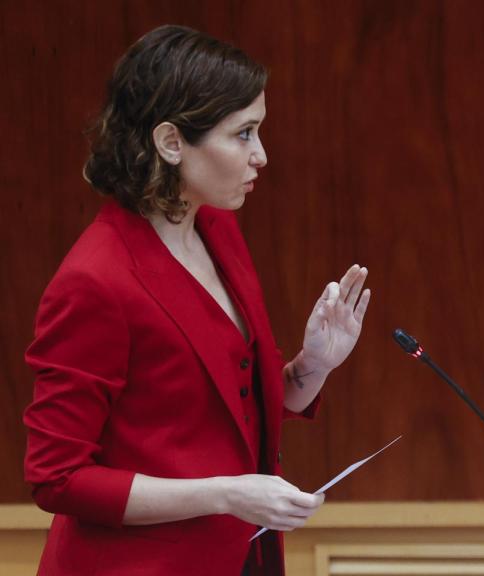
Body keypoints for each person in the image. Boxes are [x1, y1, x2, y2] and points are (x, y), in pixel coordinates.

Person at [22, 24, 370, 575]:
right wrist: (226, 495)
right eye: (243, 134)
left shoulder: (216, 228)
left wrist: (314, 365)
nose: (261, 156)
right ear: (171, 142)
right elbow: (57, 477)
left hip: (243, 556)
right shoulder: (94, 281)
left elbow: (223, 412)